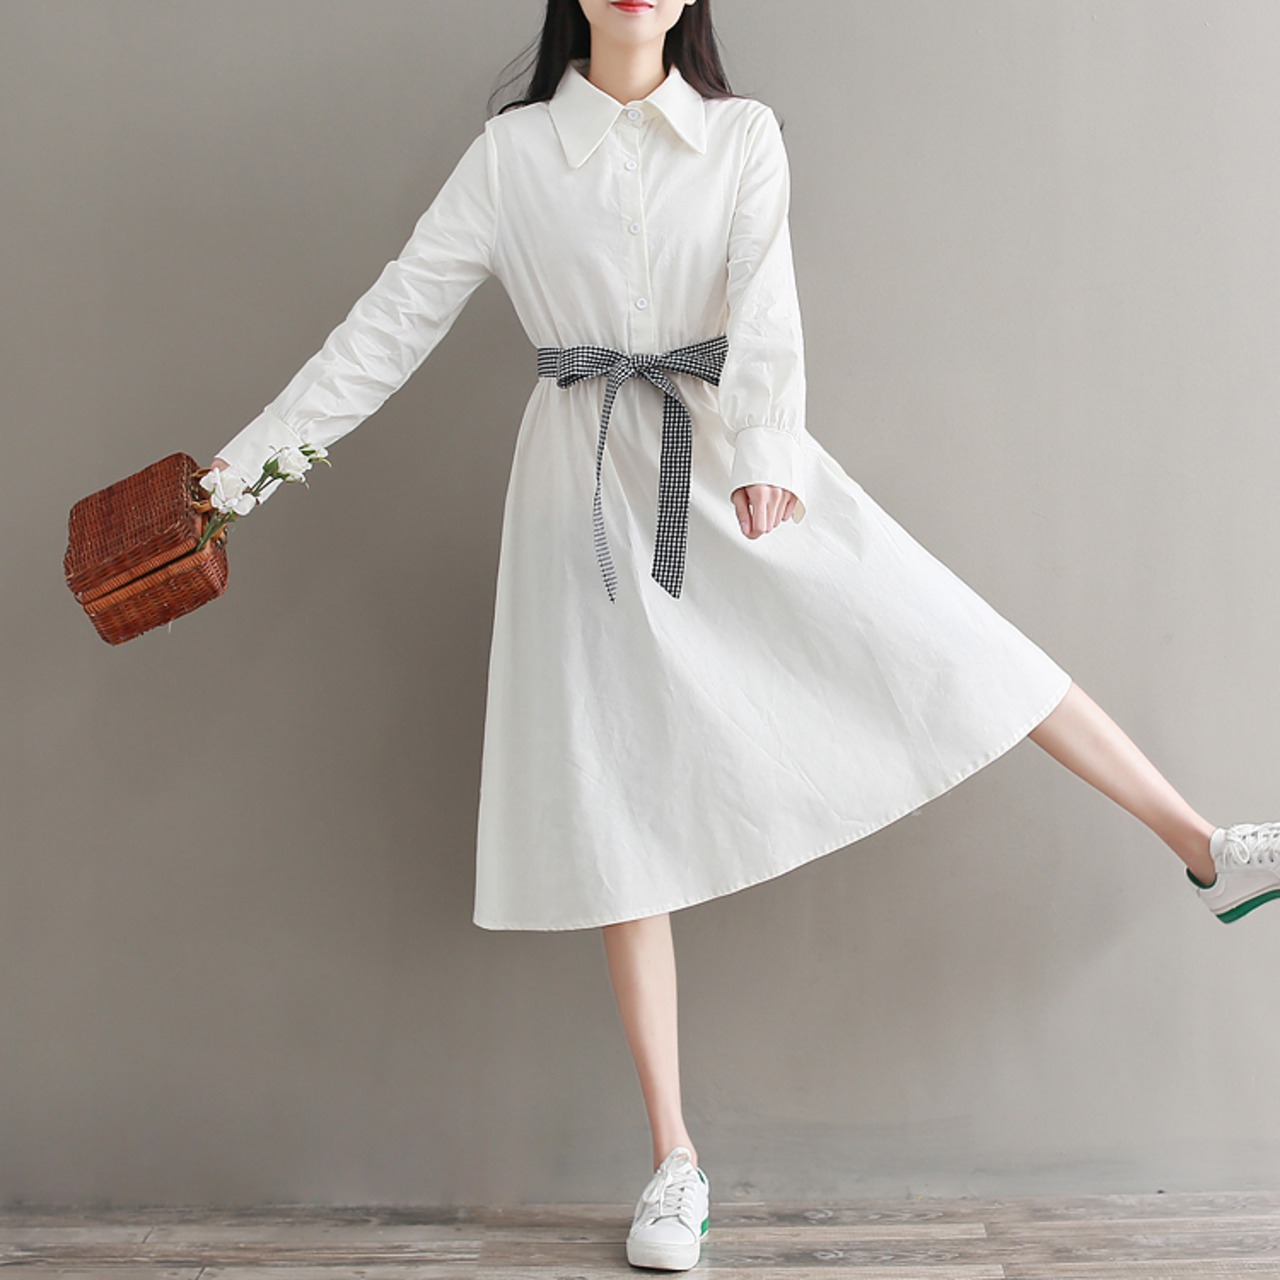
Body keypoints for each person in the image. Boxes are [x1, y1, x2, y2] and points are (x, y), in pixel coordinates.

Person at [204, 0, 1280, 1271]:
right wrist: (232, 482)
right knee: (620, 810)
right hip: (581, 498)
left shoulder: (740, 136)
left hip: (727, 460)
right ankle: (673, 1160)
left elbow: (764, 301)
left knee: (945, 636)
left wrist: (769, 446)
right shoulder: (511, 157)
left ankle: (1201, 843)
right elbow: (387, 327)